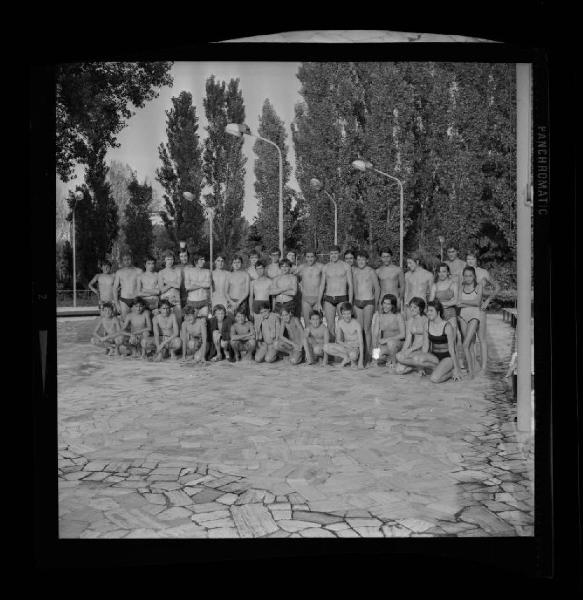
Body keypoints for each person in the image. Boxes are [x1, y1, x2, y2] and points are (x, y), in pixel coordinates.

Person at [394, 300, 462, 382]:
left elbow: (452, 349)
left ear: (438, 311)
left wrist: (456, 368)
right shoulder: (427, 325)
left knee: (434, 379)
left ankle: (450, 372)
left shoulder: (447, 326)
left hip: (447, 357)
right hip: (434, 356)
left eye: (431, 311)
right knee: (410, 358)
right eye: (428, 311)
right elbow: (425, 347)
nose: (428, 313)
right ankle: (436, 368)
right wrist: (420, 367)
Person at [466, 252, 500, 371]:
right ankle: (473, 364)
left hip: (480, 308)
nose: (470, 261)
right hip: (467, 309)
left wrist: (488, 300)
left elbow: (497, 287)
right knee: (470, 339)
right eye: (468, 259)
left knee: (482, 338)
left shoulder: (483, 273)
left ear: (476, 260)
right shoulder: (464, 272)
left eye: (472, 259)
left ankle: (484, 367)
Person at [319, 245, 353, 342]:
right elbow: (322, 285)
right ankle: (333, 352)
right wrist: (318, 301)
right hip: (329, 298)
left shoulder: (346, 266)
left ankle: (343, 348)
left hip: (342, 297)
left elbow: (351, 285)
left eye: (335, 253)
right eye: (332, 253)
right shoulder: (325, 267)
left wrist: (349, 302)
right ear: (329, 254)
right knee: (330, 326)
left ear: (339, 254)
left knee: (342, 325)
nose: (333, 255)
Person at [352, 250, 380, 364]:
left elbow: (377, 289)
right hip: (358, 302)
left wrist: (376, 305)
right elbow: (354, 289)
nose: (361, 262)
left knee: (367, 330)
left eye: (363, 259)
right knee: (360, 330)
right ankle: (362, 354)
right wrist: (353, 303)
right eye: (358, 260)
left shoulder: (371, 271)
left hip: (369, 301)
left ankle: (369, 355)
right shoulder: (355, 272)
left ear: (367, 260)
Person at [457, 266, 483, 378]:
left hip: (474, 316)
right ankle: (471, 370)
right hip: (462, 316)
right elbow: (457, 304)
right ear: (463, 276)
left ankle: (471, 372)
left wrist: (463, 301)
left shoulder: (478, 286)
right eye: (466, 275)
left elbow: (477, 303)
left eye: (470, 276)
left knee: (465, 344)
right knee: (470, 345)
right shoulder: (461, 286)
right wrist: (468, 302)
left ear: (474, 276)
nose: (468, 278)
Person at [323, 302, 364, 368]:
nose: (346, 316)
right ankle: (346, 358)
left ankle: (353, 361)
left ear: (351, 313)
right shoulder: (340, 323)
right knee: (326, 347)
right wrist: (347, 346)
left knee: (353, 355)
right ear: (341, 314)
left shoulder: (356, 324)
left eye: (348, 313)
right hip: (346, 347)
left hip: (355, 348)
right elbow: (338, 340)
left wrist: (361, 361)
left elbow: (361, 343)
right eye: (344, 314)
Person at [395, 297, 429, 374]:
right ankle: (414, 366)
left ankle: (420, 366)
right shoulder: (410, 321)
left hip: (424, 348)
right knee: (399, 368)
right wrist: (403, 351)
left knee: (401, 366)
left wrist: (410, 350)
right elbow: (407, 340)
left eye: (415, 307)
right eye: (411, 307)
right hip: (413, 349)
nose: (412, 309)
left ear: (420, 308)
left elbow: (426, 341)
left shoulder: (425, 320)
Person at [371, 294, 405, 368]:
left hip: (397, 344)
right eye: (384, 303)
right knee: (378, 356)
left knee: (391, 343)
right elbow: (375, 336)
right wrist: (375, 358)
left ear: (393, 305)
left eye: (388, 304)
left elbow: (403, 335)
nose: (385, 306)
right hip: (385, 344)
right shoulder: (379, 317)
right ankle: (390, 358)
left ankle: (394, 363)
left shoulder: (398, 316)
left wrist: (387, 339)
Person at [112, 253, 143, 321]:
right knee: (125, 321)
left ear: (132, 259)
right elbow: (114, 289)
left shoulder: (139, 271)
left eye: (128, 259)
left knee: (137, 321)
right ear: (122, 261)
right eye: (125, 260)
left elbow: (143, 286)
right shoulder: (119, 272)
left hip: (136, 299)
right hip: (124, 300)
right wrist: (117, 304)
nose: (127, 261)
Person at [297, 250, 324, 327]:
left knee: (318, 324)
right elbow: (292, 277)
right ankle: (308, 339)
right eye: (308, 257)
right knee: (307, 324)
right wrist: (299, 286)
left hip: (317, 299)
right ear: (305, 257)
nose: (310, 259)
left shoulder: (321, 267)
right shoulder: (301, 267)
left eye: (312, 257)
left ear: (315, 257)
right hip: (305, 300)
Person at [376, 247, 405, 312]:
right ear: (380, 258)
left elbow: (402, 286)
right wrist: (378, 301)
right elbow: (376, 288)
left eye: (387, 256)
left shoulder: (398, 270)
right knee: (383, 321)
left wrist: (399, 299)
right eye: (383, 257)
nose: (386, 259)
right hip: (382, 300)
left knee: (394, 320)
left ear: (391, 256)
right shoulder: (378, 271)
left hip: (394, 300)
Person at [158, 251, 183, 325]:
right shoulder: (161, 272)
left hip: (176, 299)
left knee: (178, 321)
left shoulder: (178, 271)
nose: (170, 261)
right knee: (167, 322)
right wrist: (172, 284)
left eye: (171, 259)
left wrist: (168, 283)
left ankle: (179, 336)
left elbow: (179, 286)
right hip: (166, 300)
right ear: (165, 260)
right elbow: (162, 290)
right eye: (168, 259)